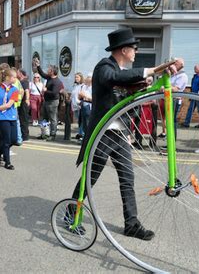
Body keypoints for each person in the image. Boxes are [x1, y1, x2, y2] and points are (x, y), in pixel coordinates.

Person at [71, 27, 172, 241]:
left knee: (127, 177)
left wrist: (145, 83)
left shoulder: (122, 73)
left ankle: (132, 224)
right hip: (103, 134)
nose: (136, 52)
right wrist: (151, 70)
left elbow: (127, 92)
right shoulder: (104, 67)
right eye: (134, 48)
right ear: (124, 50)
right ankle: (72, 214)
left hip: (119, 134)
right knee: (90, 178)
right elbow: (114, 78)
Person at [32, 60, 63, 141]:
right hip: (46, 101)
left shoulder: (57, 82)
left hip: (53, 102)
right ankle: (45, 134)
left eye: (49, 69)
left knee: (53, 119)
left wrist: (45, 90)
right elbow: (42, 74)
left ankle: (53, 134)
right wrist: (38, 66)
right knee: (44, 118)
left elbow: (54, 93)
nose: (48, 70)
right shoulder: (49, 77)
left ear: (52, 72)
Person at [78, 74, 93, 142]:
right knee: (83, 124)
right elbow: (80, 97)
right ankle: (85, 138)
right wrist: (80, 96)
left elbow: (94, 99)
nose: (86, 79)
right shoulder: (84, 87)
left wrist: (85, 96)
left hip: (89, 107)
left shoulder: (94, 88)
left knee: (88, 124)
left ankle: (88, 140)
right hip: (83, 106)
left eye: (88, 77)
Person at [17, 69, 30, 141]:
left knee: (23, 119)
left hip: (23, 103)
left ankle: (25, 136)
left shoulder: (24, 81)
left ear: (21, 74)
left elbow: (27, 91)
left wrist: (27, 99)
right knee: (22, 119)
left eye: (17, 73)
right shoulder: (20, 81)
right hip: (21, 103)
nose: (16, 74)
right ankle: (23, 135)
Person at [71, 72, 84, 139]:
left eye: (77, 77)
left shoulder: (82, 86)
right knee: (78, 121)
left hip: (79, 106)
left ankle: (81, 134)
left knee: (81, 120)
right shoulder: (75, 85)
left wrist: (79, 102)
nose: (76, 78)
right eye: (75, 77)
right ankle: (79, 133)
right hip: (74, 106)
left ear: (81, 78)